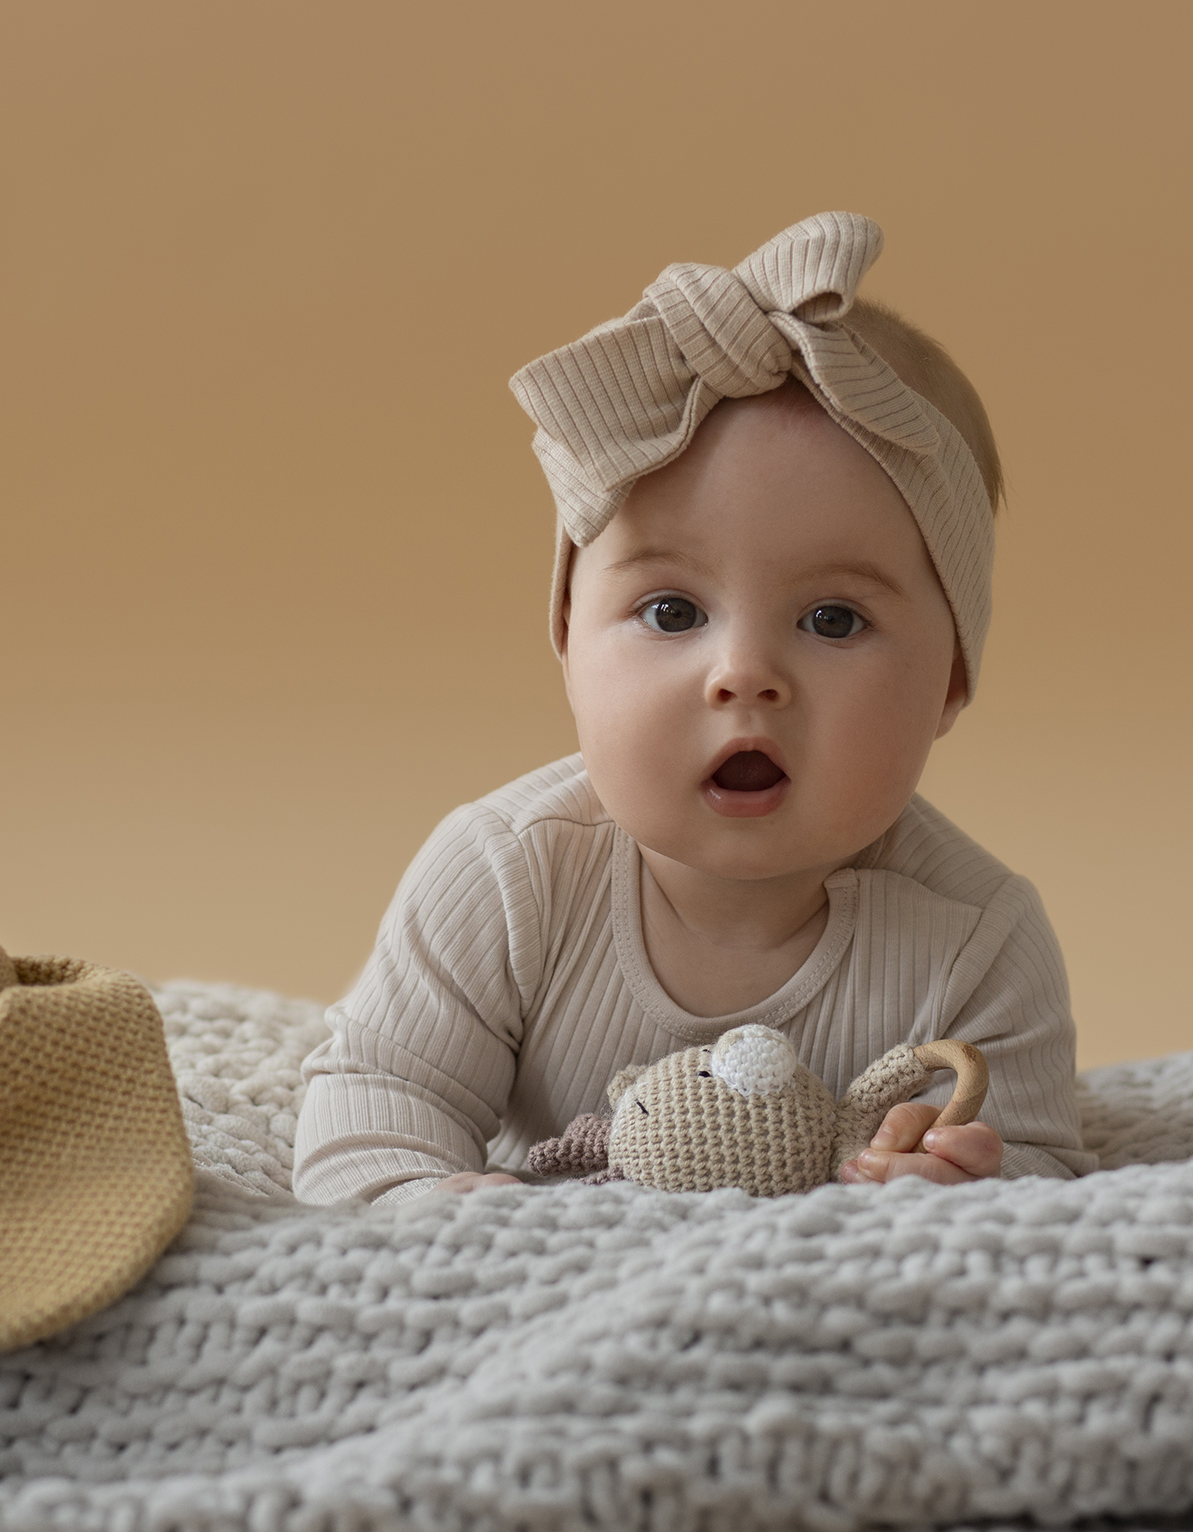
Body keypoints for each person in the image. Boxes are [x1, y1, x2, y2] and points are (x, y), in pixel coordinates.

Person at [293, 212, 1095, 1206]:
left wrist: (959, 1174)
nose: (743, 673)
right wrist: (446, 1207)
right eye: (671, 611)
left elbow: (1044, 1177)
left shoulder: (975, 939)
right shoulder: (502, 876)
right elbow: (371, 1101)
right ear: (565, 641)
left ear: (950, 680)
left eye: (832, 618)